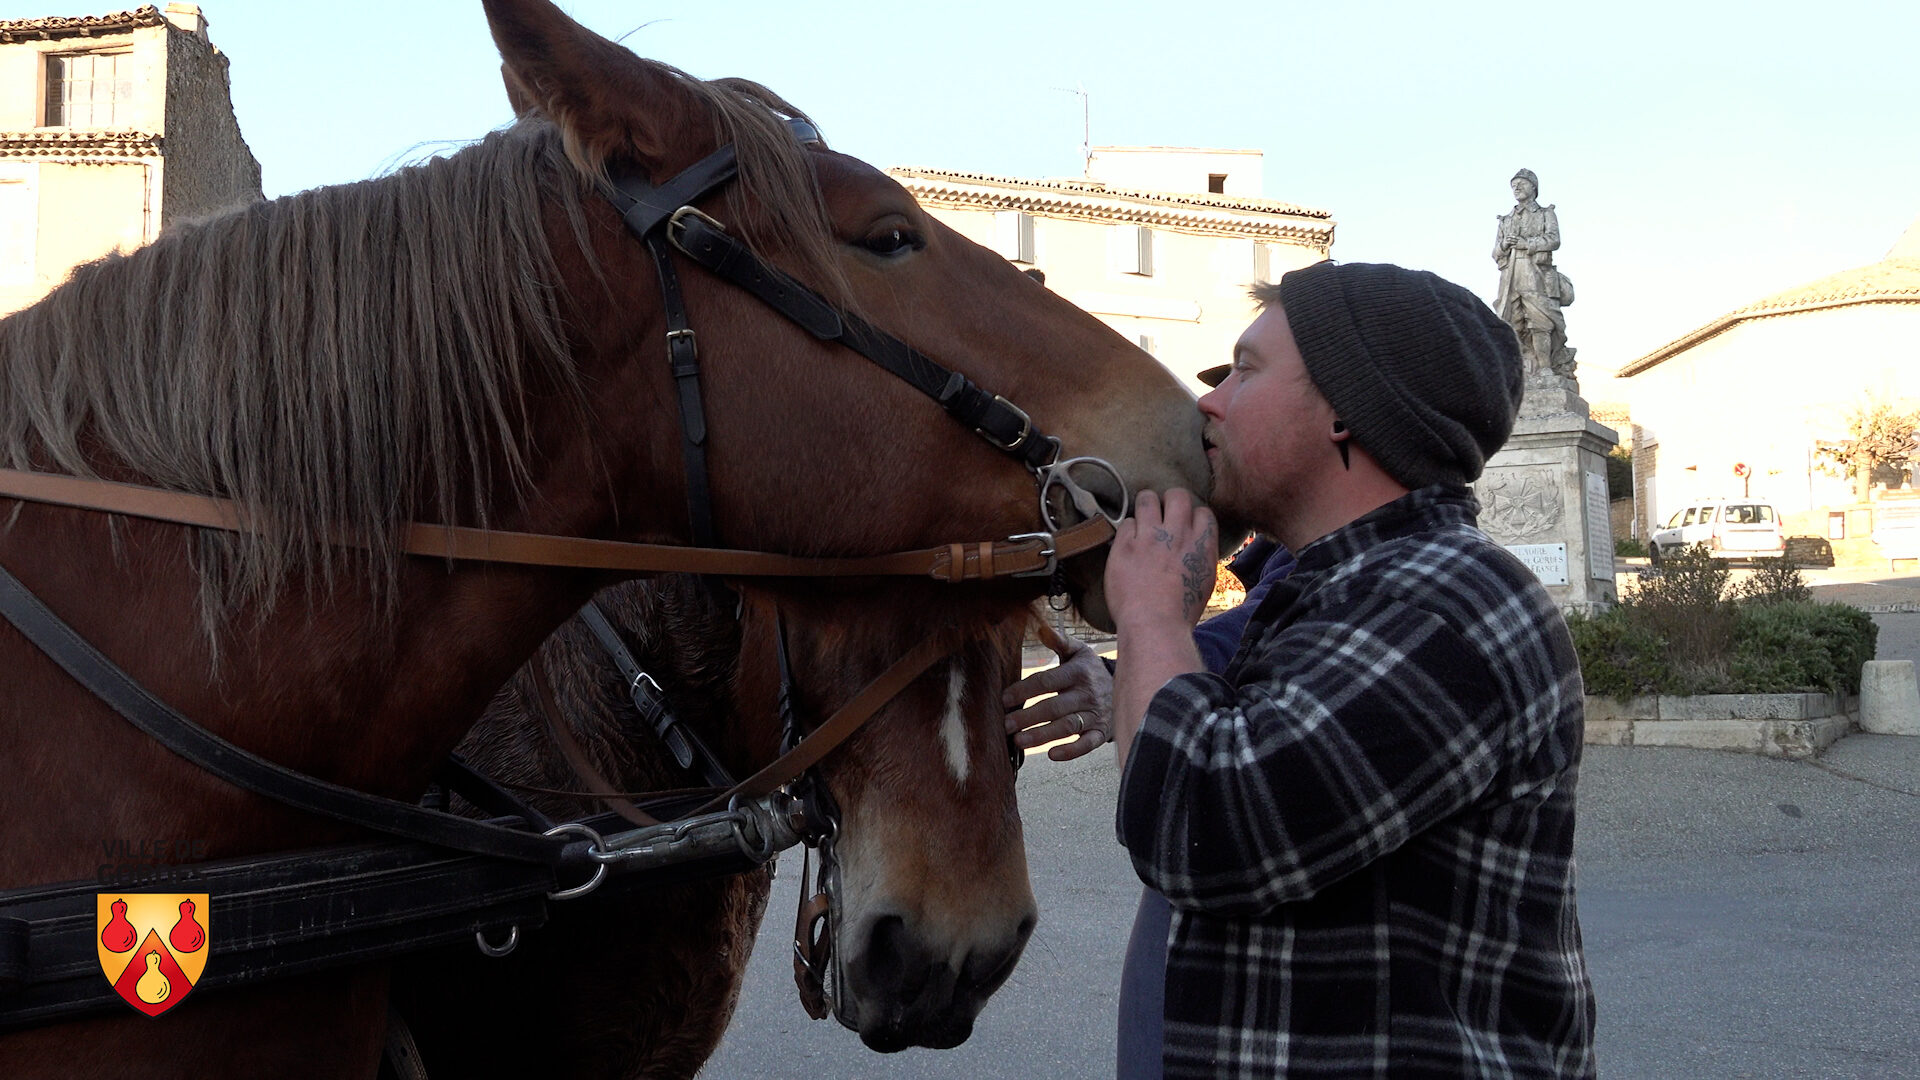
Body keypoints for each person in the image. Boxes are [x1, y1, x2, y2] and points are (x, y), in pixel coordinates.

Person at [1009, 260, 1596, 1077]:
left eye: (1245, 372)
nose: (1208, 401)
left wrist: (1150, 614)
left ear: (1346, 415)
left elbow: (1200, 826)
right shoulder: (1338, 591)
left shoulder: (1449, 604)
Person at [1492, 168, 1576, 378]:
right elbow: (1495, 252)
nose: (1516, 188)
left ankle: (1545, 366)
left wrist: (1526, 243)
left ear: (1533, 187)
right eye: (1513, 185)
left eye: (1521, 183)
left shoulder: (1546, 214)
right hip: (1510, 277)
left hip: (1536, 273)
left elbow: (1554, 240)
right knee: (1510, 322)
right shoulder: (1506, 219)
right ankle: (1517, 367)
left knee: (1541, 321)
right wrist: (1504, 244)